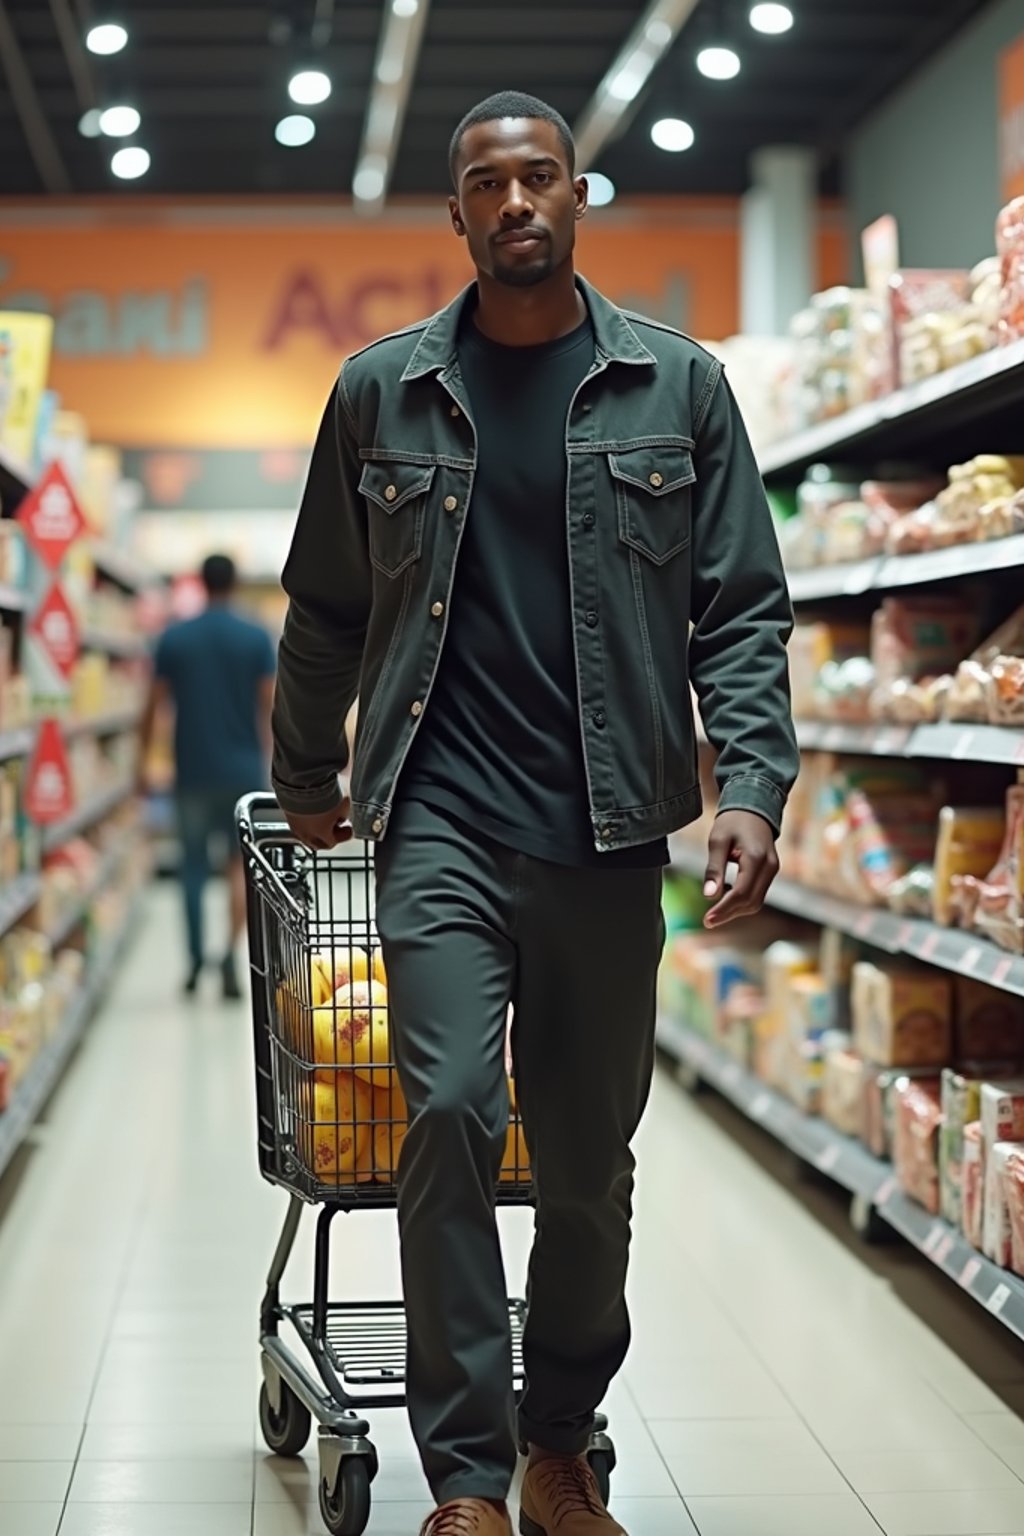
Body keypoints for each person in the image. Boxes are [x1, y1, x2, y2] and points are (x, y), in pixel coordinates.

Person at [272, 92, 798, 1536]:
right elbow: (323, 609)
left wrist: (748, 782)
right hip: (437, 813)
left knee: (585, 1160)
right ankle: (468, 1479)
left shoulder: (674, 388)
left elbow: (742, 611)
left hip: (610, 827)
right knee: (444, 1113)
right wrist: (312, 774)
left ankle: (560, 1430)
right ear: (454, 216)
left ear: (578, 199)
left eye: (540, 177)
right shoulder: (381, 392)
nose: (515, 201)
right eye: (486, 182)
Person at [140, 554, 276, 999]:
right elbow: (270, 706)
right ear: (235, 584)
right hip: (243, 772)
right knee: (240, 867)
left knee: (193, 869)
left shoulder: (175, 637)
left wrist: (142, 760)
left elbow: (154, 704)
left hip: (192, 771)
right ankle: (228, 957)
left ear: (200, 583)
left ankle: (195, 961)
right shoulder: (255, 636)